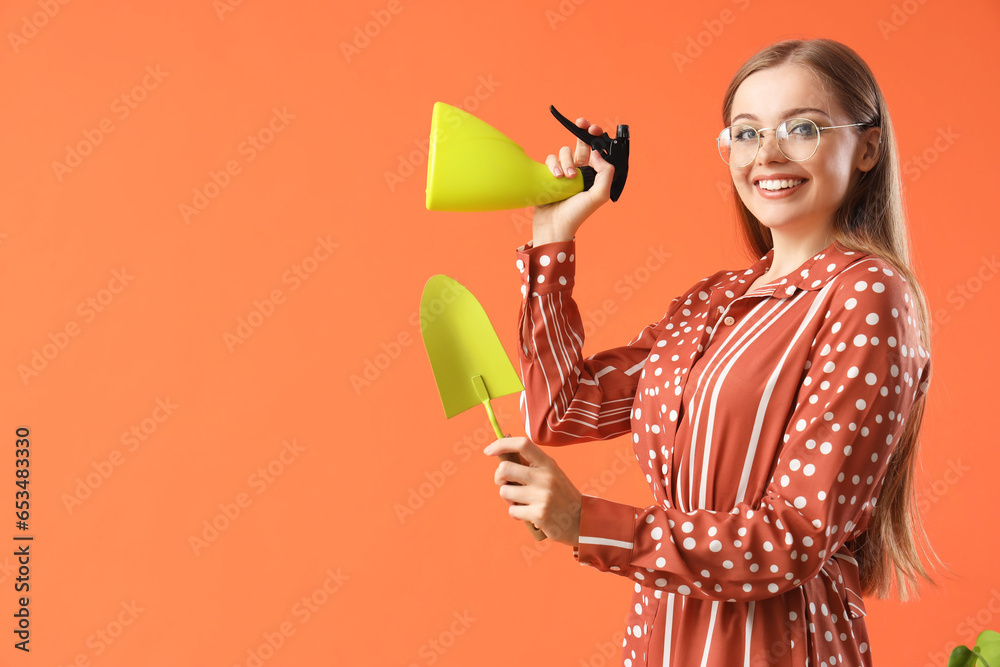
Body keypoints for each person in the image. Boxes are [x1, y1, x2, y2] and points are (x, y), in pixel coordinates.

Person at [482, 38, 946, 667]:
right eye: (746, 133)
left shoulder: (868, 295)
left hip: (773, 646)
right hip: (662, 637)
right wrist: (553, 233)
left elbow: (794, 538)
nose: (769, 155)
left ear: (867, 146)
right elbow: (565, 409)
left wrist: (586, 520)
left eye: (802, 128)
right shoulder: (713, 300)